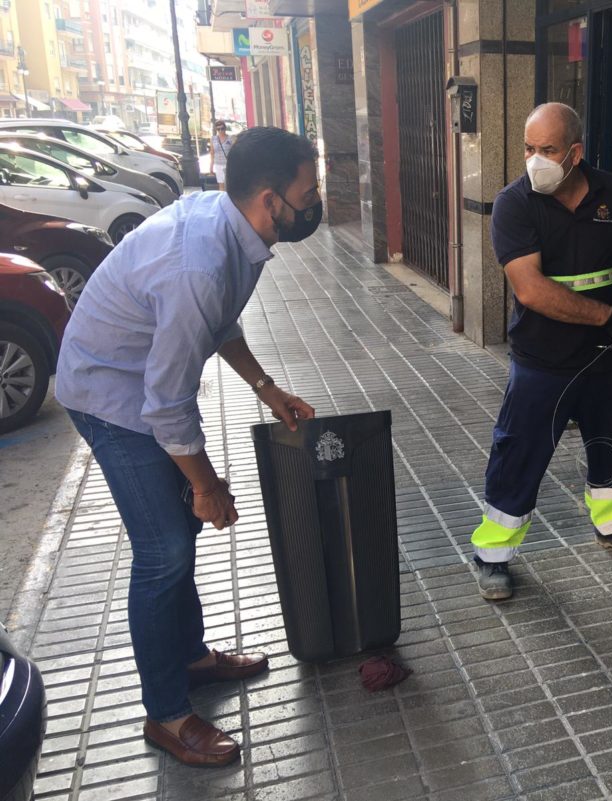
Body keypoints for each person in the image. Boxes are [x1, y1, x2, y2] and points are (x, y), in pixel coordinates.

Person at [55, 126, 323, 766]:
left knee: (179, 534)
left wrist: (266, 388)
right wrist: (206, 484)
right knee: (165, 548)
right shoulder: (199, 261)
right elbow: (166, 405)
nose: (314, 204)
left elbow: (220, 322)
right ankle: (167, 715)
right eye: (307, 193)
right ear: (268, 199)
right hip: (107, 394)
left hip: (139, 384)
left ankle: (191, 656)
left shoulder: (232, 231)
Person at [470, 102, 612, 601]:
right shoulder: (515, 203)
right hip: (542, 359)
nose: (535, 160)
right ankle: (492, 555)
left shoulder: (611, 194)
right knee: (518, 453)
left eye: (548, 150)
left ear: (575, 152)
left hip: (605, 356)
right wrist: (607, 317)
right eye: (529, 149)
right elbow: (530, 290)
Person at [209, 120, 233, 191]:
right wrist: (211, 167)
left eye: (222, 128)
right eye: (218, 129)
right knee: (221, 185)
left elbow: (234, 153)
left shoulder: (230, 138)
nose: (220, 131)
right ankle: (222, 200)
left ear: (225, 128)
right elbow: (212, 153)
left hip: (228, 164)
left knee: (229, 185)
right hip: (218, 164)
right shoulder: (213, 139)